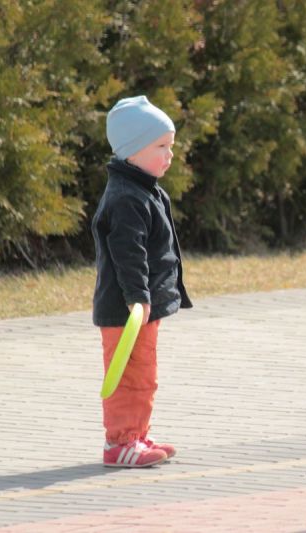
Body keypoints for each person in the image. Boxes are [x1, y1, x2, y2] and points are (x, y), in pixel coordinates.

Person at [92, 95, 192, 468]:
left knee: (144, 374)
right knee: (127, 376)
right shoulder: (125, 199)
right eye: (161, 147)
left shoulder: (145, 190)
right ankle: (119, 443)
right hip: (126, 307)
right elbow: (128, 254)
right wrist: (138, 296)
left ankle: (137, 435)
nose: (169, 154)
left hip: (143, 306)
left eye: (170, 146)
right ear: (133, 151)